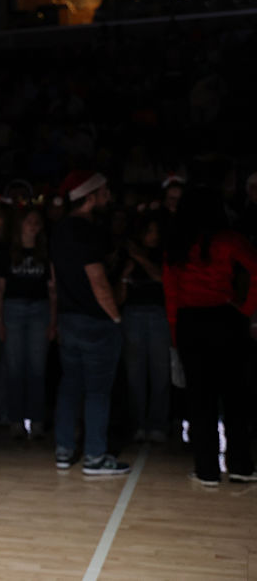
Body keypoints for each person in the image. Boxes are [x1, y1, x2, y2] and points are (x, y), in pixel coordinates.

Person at [164, 185, 257, 486]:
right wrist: (246, 309)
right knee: (234, 397)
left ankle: (207, 471)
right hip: (227, 320)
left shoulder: (177, 243)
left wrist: (176, 332)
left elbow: (171, 295)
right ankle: (241, 466)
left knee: (200, 400)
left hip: (191, 323)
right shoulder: (230, 239)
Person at [50, 171, 131, 475]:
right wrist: (116, 316)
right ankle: (95, 458)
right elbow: (98, 280)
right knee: (97, 391)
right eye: (104, 191)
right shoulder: (88, 231)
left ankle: (63, 450)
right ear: (90, 195)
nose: (108, 196)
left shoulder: (59, 230)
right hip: (95, 322)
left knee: (70, 387)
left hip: (69, 320)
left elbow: (55, 280)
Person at [0, 208, 55, 440]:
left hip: (39, 310)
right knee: (15, 368)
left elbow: (53, 291)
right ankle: (16, 421)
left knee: (37, 368)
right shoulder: (8, 253)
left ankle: (37, 421)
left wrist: (53, 320)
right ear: (20, 225)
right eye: (29, 221)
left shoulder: (44, 252)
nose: (33, 225)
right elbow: (0, 290)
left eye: (36, 221)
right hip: (13, 309)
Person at [116, 213, 171, 444]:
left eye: (157, 232)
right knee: (135, 373)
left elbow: (162, 278)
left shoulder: (163, 254)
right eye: (149, 231)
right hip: (133, 316)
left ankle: (158, 424)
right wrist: (125, 275)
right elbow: (119, 296)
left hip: (158, 315)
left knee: (160, 372)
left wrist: (141, 258)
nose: (154, 236)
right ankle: (138, 424)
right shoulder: (126, 258)